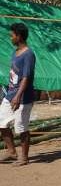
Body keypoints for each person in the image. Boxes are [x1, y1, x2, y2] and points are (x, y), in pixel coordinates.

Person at [0, 23, 36, 166]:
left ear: (19, 36)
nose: (11, 38)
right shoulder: (15, 53)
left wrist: (18, 96)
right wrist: (10, 94)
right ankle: (11, 152)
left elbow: (26, 77)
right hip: (10, 95)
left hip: (23, 98)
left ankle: (24, 157)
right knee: (2, 122)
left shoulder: (29, 54)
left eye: (12, 35)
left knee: (21, 127)